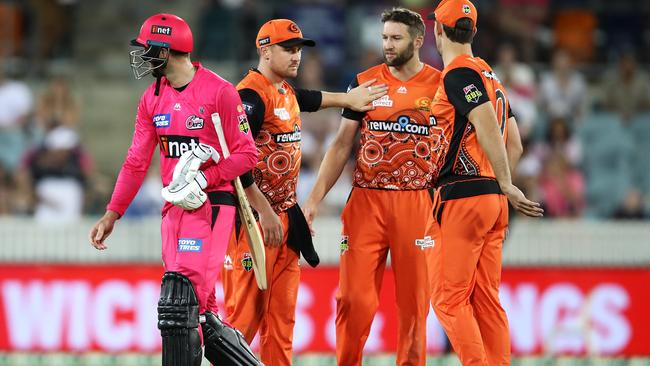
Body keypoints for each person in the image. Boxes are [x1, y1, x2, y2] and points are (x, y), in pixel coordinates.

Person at [88, 13, 261, 366]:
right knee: (202, 313)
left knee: (180, 300)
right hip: (174, 209)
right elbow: (136, 161)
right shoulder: (152, 98)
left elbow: (247, 154)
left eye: (148, 48)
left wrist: (205, 178)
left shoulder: (220, 92)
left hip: (212, 204)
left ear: (166, 51)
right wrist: (113, 212)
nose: (143, 55)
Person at [221, 18, 387, 366]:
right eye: (288, 49)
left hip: (285, 221)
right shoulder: (249, 95)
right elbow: (235, 161)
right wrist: (264, 212)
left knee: (282, 326)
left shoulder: (283, 90)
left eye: (299, 49)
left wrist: (347, 98)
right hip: (252, 223)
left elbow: (308, 99)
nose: (296, 56)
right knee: (242, 324)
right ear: (265, 50)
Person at [302, 8, 441, 366]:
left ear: (418, 40)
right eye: (384, 38)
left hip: (417, 204)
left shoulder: (440, 87)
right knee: (353, 299)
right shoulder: (365, 82)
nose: (388, 45)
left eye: (396, 38)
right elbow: (341, 145)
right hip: (366, 202)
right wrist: (314, 199)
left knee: (414, 306)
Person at [426, 1, 543, 365]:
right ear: (474, 32)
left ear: (437, 30)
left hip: (461, 197)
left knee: (447, 299)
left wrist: (505, 182)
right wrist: (499, 184)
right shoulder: (492, 77)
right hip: (491, 202)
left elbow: (486, 123)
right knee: (485, 299)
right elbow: (516, 142)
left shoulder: (457, 74)